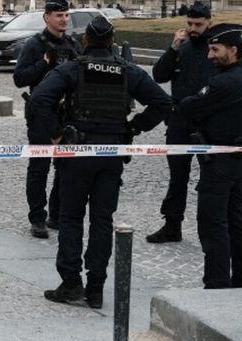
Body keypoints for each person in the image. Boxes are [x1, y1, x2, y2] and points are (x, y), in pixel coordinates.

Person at [30, 16, 172, 308]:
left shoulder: (73, 69)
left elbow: (39, 100)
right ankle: (96, 288)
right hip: (112, 154)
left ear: (85, 41)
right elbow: (162, 103)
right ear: (112, 41)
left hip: (78, 152)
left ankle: (71, 283)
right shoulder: (128, 71)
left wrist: (55, 133)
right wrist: (134, 127)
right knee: (102, 220)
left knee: (70, 218)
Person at [178, 23, 242, 289]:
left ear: (234, 50)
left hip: (220, 162)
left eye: (215, 49)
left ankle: (216, 283)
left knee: (213, 224)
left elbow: (189, 107)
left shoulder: (224, 82)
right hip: (237, 160)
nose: (209, 55)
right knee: (238, 222)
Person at [148, 1, 215, 243]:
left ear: (209, 22)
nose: (193, 28)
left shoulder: (215, 49)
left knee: (211, 179)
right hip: (179, 120)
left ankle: (211, 228)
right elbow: (159, 75)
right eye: (189, 23)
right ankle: (172, 225)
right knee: (178, 177)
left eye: (198, 24)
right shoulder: (182, 46)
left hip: (207, 122)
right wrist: (173, 49)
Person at [14, 0, 80, 238]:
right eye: (58, 15)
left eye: (66, 15)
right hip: (41, 113)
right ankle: (37, 218)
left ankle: (56, 214)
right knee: (39, 168)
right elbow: (19, 78)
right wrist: (43, 64)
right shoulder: (34, 45)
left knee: (65, 166)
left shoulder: (73, 45)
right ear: (47, 18)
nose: (63, 19)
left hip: (67, 114)